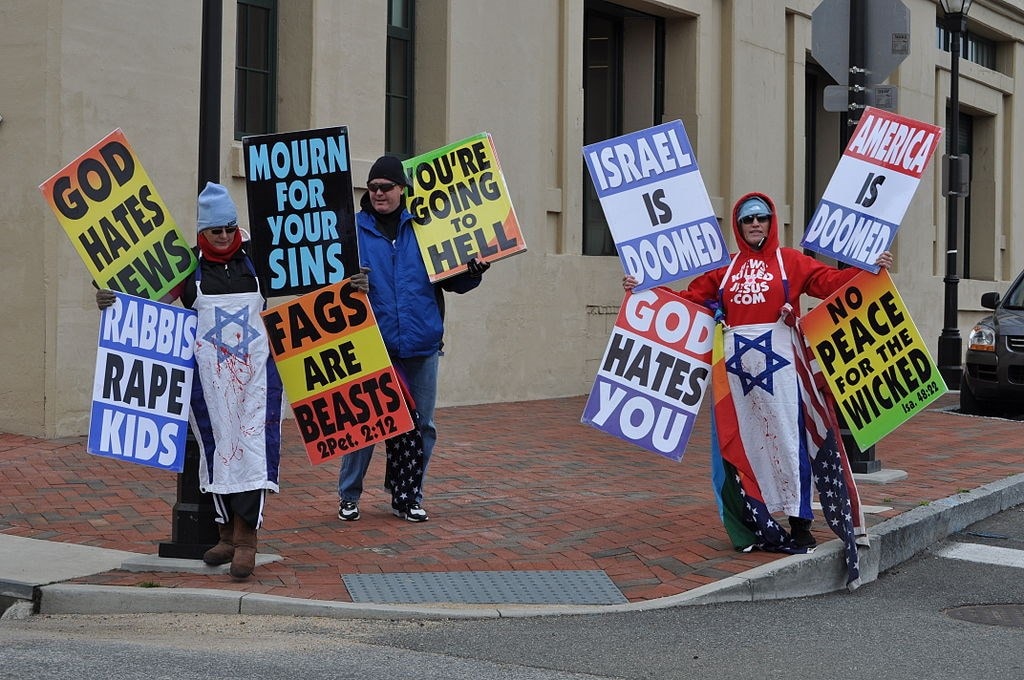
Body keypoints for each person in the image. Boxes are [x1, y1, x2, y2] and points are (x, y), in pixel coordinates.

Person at [623, 192, 892, 554]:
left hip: (782, 373)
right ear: (737, 225)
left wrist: (869, 268)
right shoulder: (725, 269)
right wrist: (644, 289)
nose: (754, 224)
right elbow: (689, 298)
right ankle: (758, 518)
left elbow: (831, 282)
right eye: (747, 219)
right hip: (736, 375)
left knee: (789, 440)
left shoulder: (791, 262)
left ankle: (800, 523)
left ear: (771, 221)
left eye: (761, 217)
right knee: (747, 444)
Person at [98, 182, 283, 579]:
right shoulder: (187, 267)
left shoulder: (262, 259)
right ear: (203, 231)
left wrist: (354, 285)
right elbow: (148, 301)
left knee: (253, 449)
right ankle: (226, 533)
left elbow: (315, 280)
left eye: (230, 228)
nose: (224, 236)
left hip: (255, 375)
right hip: (210, 377)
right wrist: (111, 300)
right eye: (216, 230)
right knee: (217, 449)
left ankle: (248, 538)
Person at [337, 155, 490, 523]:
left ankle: (408, 495)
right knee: (365, 425)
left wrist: (473, 272)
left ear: (402, 190)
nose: (378, 193)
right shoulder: (352, 230)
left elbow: (453, 281)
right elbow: (332, 284)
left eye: (386, 187)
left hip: (421, 342)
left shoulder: (427, 228)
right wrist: (347, 284)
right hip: (373, 344)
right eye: (372, 188)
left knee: (422, 424)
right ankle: (348, 495)